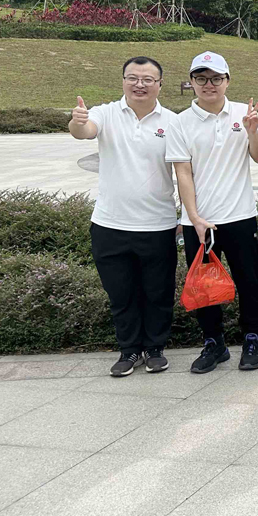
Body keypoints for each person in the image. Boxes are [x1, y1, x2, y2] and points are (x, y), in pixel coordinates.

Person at [70, 57, 178, 377]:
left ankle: (155, 348)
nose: (139, 84)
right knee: (121, 294)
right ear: (123, 82)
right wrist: (78, 121)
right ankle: (129, 350)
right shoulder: (105, 113)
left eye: (147, 79)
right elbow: (84, 131)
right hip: (109, 224)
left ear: (160, 83)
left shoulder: (173, 121)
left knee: (158, 293)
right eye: (132, 78)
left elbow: (185, 171)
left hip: (158, 224)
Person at [167, 52, 258, 374]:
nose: (209, 85)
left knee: (249, 281)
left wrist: (252, 130)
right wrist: (193, 217)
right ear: (192, 82)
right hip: (199, 222)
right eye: (201, 78)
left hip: (240, 215)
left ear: (227, 81)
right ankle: (214, 343)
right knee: (204, 286)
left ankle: (251, 339)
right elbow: (183, 173)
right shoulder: (180, 122)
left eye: (216, 78)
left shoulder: (245, 113)